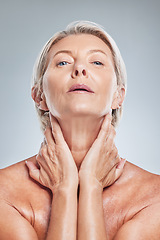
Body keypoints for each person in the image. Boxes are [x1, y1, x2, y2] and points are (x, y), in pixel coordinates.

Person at [0, 21, 160, 240]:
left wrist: (91, 185)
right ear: (39, 96)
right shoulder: (3, 194)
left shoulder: (155, 197)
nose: (80, 69)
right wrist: (64, 188)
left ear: (118, 95)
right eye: (63, 62)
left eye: (97, 62)